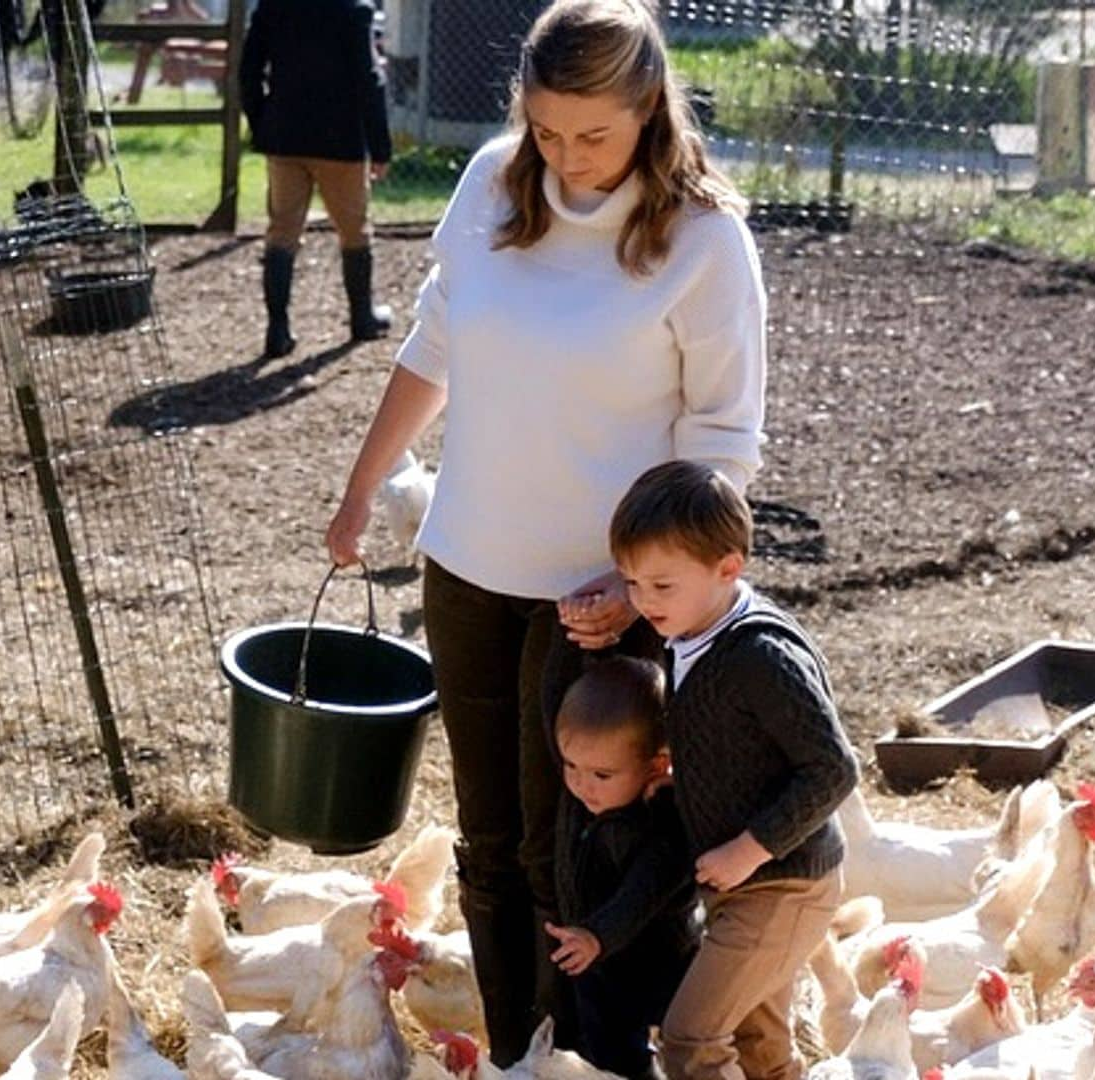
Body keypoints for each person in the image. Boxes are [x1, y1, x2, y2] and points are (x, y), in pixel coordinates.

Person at [323, 0, 767, 1064]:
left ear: (651, 108)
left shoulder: (706, 241)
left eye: (594, 135)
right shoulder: (492, 180)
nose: (566, 157)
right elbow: (433, 347)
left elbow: (723, 443)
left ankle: (598, 1052)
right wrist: (360, 488)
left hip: (604, 599)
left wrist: (642, 588)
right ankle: (523, 1052)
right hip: (470, 564)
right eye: (547, 129)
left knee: (579, 853)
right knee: (486, 844)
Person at [607, 459, 857, 1080]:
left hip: (784, 883)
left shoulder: (761, 657)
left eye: (661, 586)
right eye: (632, 583)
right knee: (758, 1042)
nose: (643, 601)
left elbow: (832, 769)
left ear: (728, 568)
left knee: (691, 1039)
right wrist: (686, 772)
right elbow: (735, 735)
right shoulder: (696, 629)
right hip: (746, 883)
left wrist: (749, 848)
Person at [544, 657, 698, 1080]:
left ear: (657, 766)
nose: (580, 784)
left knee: (642, 1054)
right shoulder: (590, 795)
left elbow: (643, 891)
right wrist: (575, 641)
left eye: (601, 774)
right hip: (599, 962)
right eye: (570, 766)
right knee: (604, 1052)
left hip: (654, 963)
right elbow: (551, 702)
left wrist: (598, 934)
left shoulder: (659, 828)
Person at [238, 0, 395, 358]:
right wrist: (380, 146)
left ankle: (277, 329)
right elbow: (369, 78)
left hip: (284, 137)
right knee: (354, 229)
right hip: (340, 141)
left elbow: (248, 69)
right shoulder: (354, 10)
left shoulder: (272, 8)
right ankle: (362, 318)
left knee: (282, 231)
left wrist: (261, 122)